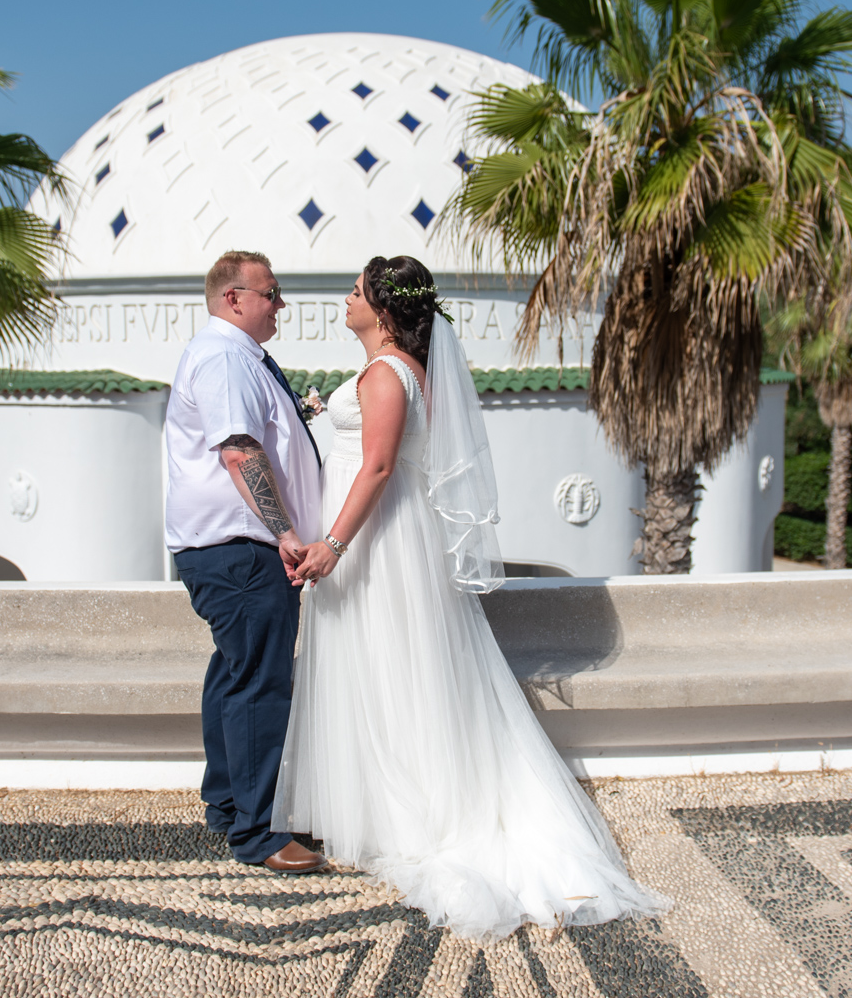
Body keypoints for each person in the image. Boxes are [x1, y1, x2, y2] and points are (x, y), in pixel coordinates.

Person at [275, 255, 669, 940]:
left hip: (377, 543)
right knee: (386, 670)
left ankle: (410, 813)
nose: (346, 299)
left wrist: (333, 544)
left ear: (383, 310)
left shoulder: (386, 372)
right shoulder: (404, 369)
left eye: (357, 291)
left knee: (389, 669)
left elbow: (377, 465)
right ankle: (379, 804)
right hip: (389, 536)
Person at [165, 250, 328, 874]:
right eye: (271, 293)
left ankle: (230, 805)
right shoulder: (226, 357)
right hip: (242, 549)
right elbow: (239, 451)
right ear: (233, 298)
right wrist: (285, 532)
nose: (280, 304)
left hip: (229, 547)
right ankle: (258, 834)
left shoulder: (233, 355)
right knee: (261, 682)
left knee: (235, 675)